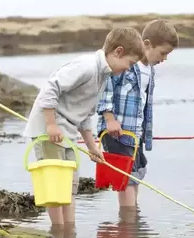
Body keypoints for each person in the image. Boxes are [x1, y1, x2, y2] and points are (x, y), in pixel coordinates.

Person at [23, 27, 144, 225]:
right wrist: (51, 124)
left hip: (68, 133)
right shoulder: (87, 67)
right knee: (55, 187)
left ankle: (70, 234)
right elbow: (50, 88)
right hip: (49, 131)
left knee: (70, 186)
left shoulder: (103, 77)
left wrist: (92, 147)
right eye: (129, 63)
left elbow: (85, 115)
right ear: (118, 52)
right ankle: (59, 230)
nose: (129, 69)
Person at [96, 19, 179, 207]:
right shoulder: (125, 64)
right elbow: (105, 89)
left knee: (137, 171)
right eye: (163, 53)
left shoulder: (149, 70)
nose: (164, 59)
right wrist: (109, 119)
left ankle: (133, 220)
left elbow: (144, 102)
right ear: (147, 44)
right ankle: (128, 219)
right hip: (117, 131)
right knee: (126, 177)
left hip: (136, 133)